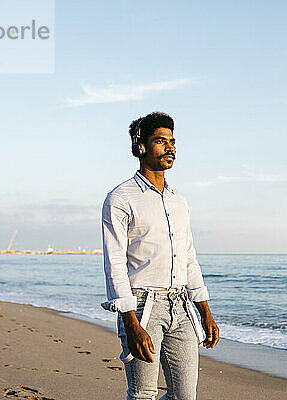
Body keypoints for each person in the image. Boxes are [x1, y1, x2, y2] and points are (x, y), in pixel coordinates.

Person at [101, 111, 220, 400]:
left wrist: (204, 310)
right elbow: (115, 263)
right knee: (143, 394)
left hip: (181, 306)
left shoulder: (179, 200)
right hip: (143, 307)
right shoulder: (121, 198)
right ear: (140, 147)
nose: (170, 147)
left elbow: (188, 257)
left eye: (172, 141)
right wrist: (131, 322)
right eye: (160, 141)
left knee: (184, 396)